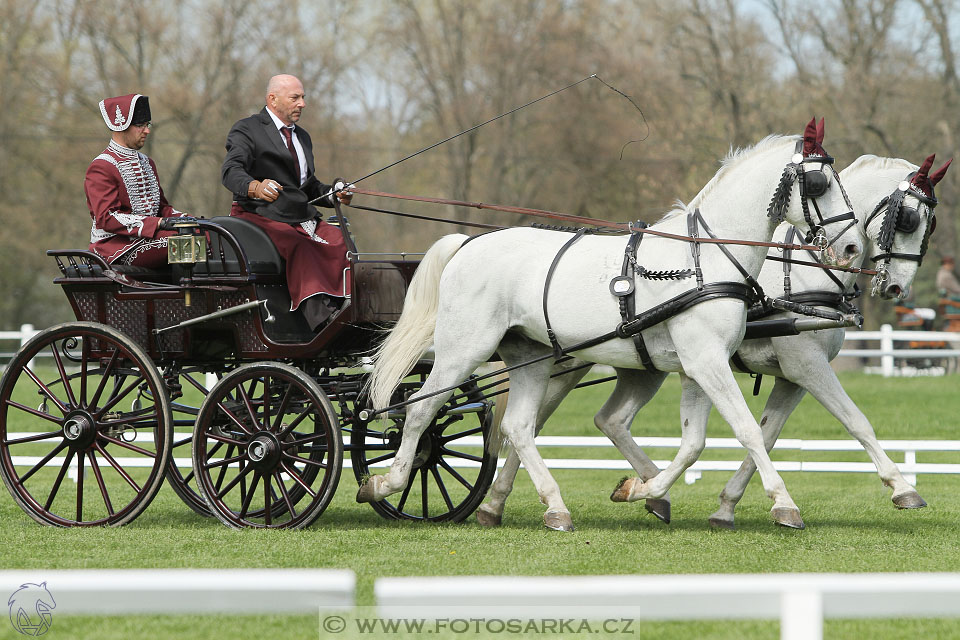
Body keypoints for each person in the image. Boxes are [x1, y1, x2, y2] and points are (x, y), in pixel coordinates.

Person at [221, 74, 352, 331]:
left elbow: (307, 187)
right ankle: (321, 319)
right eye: (295, 97)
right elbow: (231, 170)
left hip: (296, 215)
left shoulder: (302, 137)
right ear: (273, 99)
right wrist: (255, 187)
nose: (302, 103)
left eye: (303, 97)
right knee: (299, 245)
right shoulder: (247, 129)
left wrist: (333, 194)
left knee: (341, 240)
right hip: (258, 214)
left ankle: (348, 306)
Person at [84, 94, 193, 267]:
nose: (147, 130)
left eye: (147, 125)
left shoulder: (147, 162)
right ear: (121, 126)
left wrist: (187, 219)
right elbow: (106, 218)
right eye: (140, 125)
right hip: (116, 247)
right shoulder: (102, 166)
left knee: (205, 234)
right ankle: (188, 292)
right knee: (184, 242)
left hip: (148, 240)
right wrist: (156, 223)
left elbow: (162, 208)